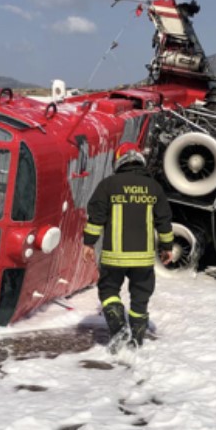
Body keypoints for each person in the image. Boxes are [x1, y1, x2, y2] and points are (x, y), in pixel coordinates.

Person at [82, 142, 174, 349]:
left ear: (119, 161)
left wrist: (89, 243)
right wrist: (167, 247)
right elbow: (164, 221)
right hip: (143, 259)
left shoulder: (108, 185)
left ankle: (118, 327)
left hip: (114, 257)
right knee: (141, 297)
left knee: (108, 290)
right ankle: (137, 340)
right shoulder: (153, 187)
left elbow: (96, 218)